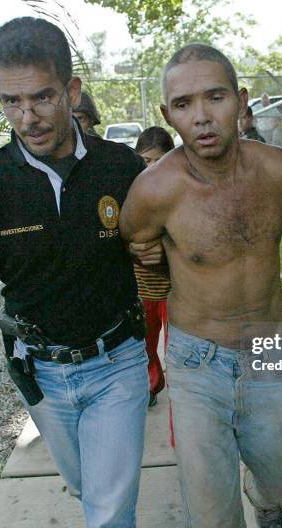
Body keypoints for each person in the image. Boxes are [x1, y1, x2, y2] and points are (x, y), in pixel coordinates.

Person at [0, 17, 151, 527]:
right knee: (89, 487)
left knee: (109, 511)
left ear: (71, 89)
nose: (27, 116)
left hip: (118, 362)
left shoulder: (121, 168)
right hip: (39, 374)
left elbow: (169, 244)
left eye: (42, 97)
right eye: (11, 101)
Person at [120, 43, 282, 528]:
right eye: (183, 105)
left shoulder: (277, 169)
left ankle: (265, 500)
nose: (201, 117)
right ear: (167, 114)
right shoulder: (153, 192)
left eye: (215, 98)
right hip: (196, 360)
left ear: (241, 102)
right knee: (210, 514)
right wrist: (153, 261)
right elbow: (141, 260)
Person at [133, 126, 175, 406]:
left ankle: (183, 392)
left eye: (158, 161)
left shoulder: (181, 189)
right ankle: (152, 383)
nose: (152, 168)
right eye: (146, 161)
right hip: (143, 288)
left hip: (177, 289)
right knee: (145, 345)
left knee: (179, 348)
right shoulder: (133, 191)